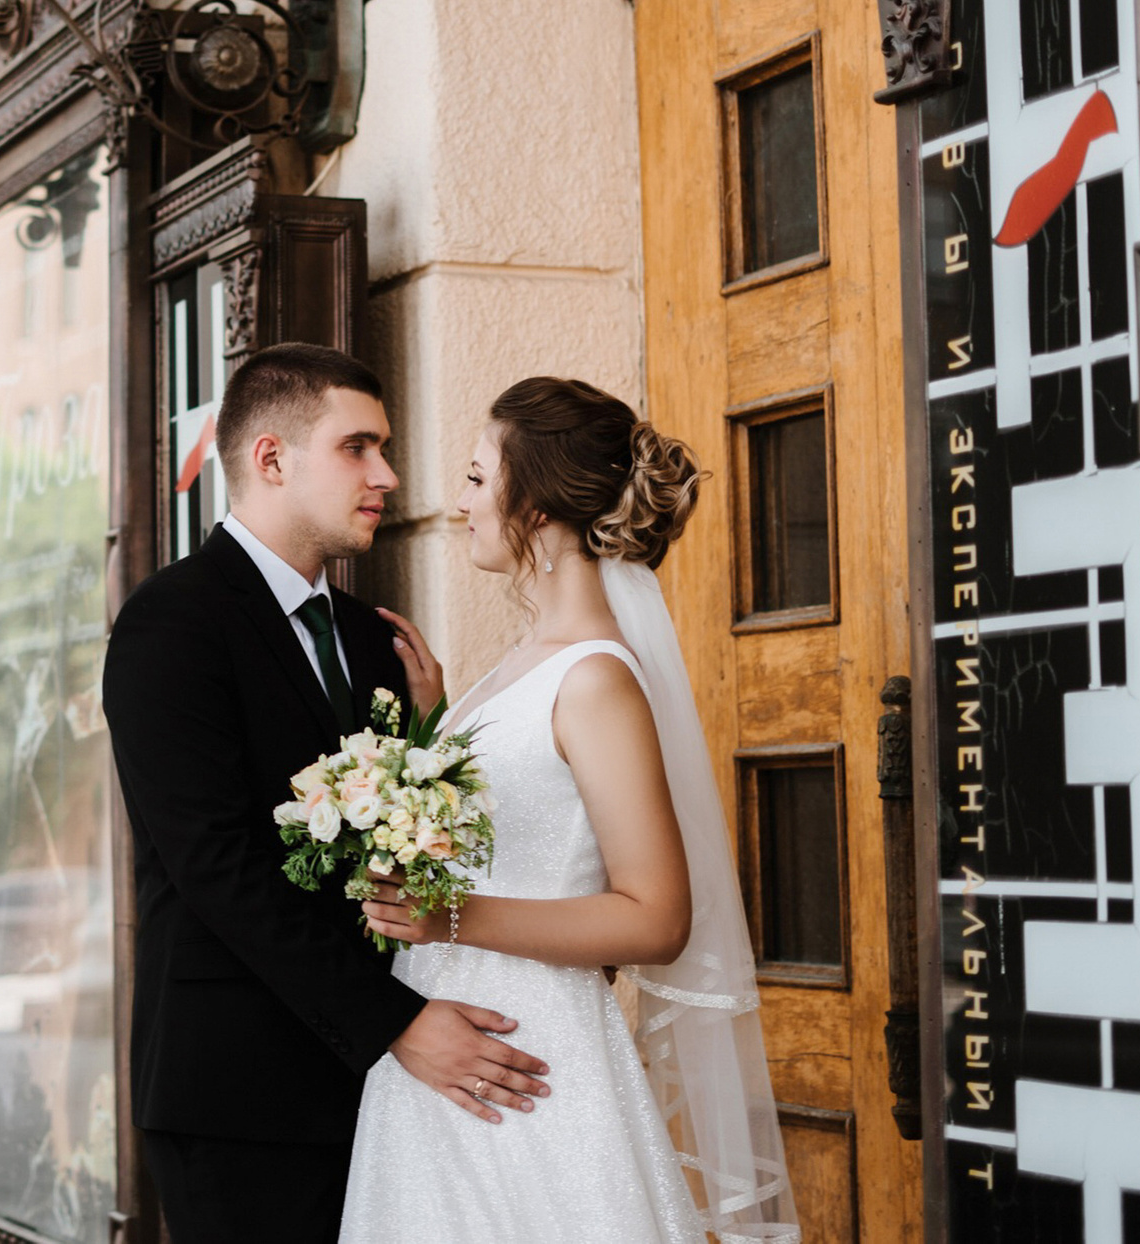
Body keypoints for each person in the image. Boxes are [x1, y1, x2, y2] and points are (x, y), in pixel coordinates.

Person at [102, 343, 553, 1244]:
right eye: (359, 447)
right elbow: (217, 865)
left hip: (389, 1092)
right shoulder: (170, 622)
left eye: (383, 448)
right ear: (272, 458)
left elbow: (403, 848)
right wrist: (399, 1025)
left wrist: (431, 736)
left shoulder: (372, 636)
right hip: (240, 1093)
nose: (386, 474)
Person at [340, 376, 800, 1242]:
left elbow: (656, 918)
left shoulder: (594, 679)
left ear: (538, 502)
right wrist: (439, 728)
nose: (459, 504)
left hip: (527, 1057)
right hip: (440, 1043)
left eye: (478, 479)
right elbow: (525, 825)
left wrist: (450, 917)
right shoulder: (515, 666)